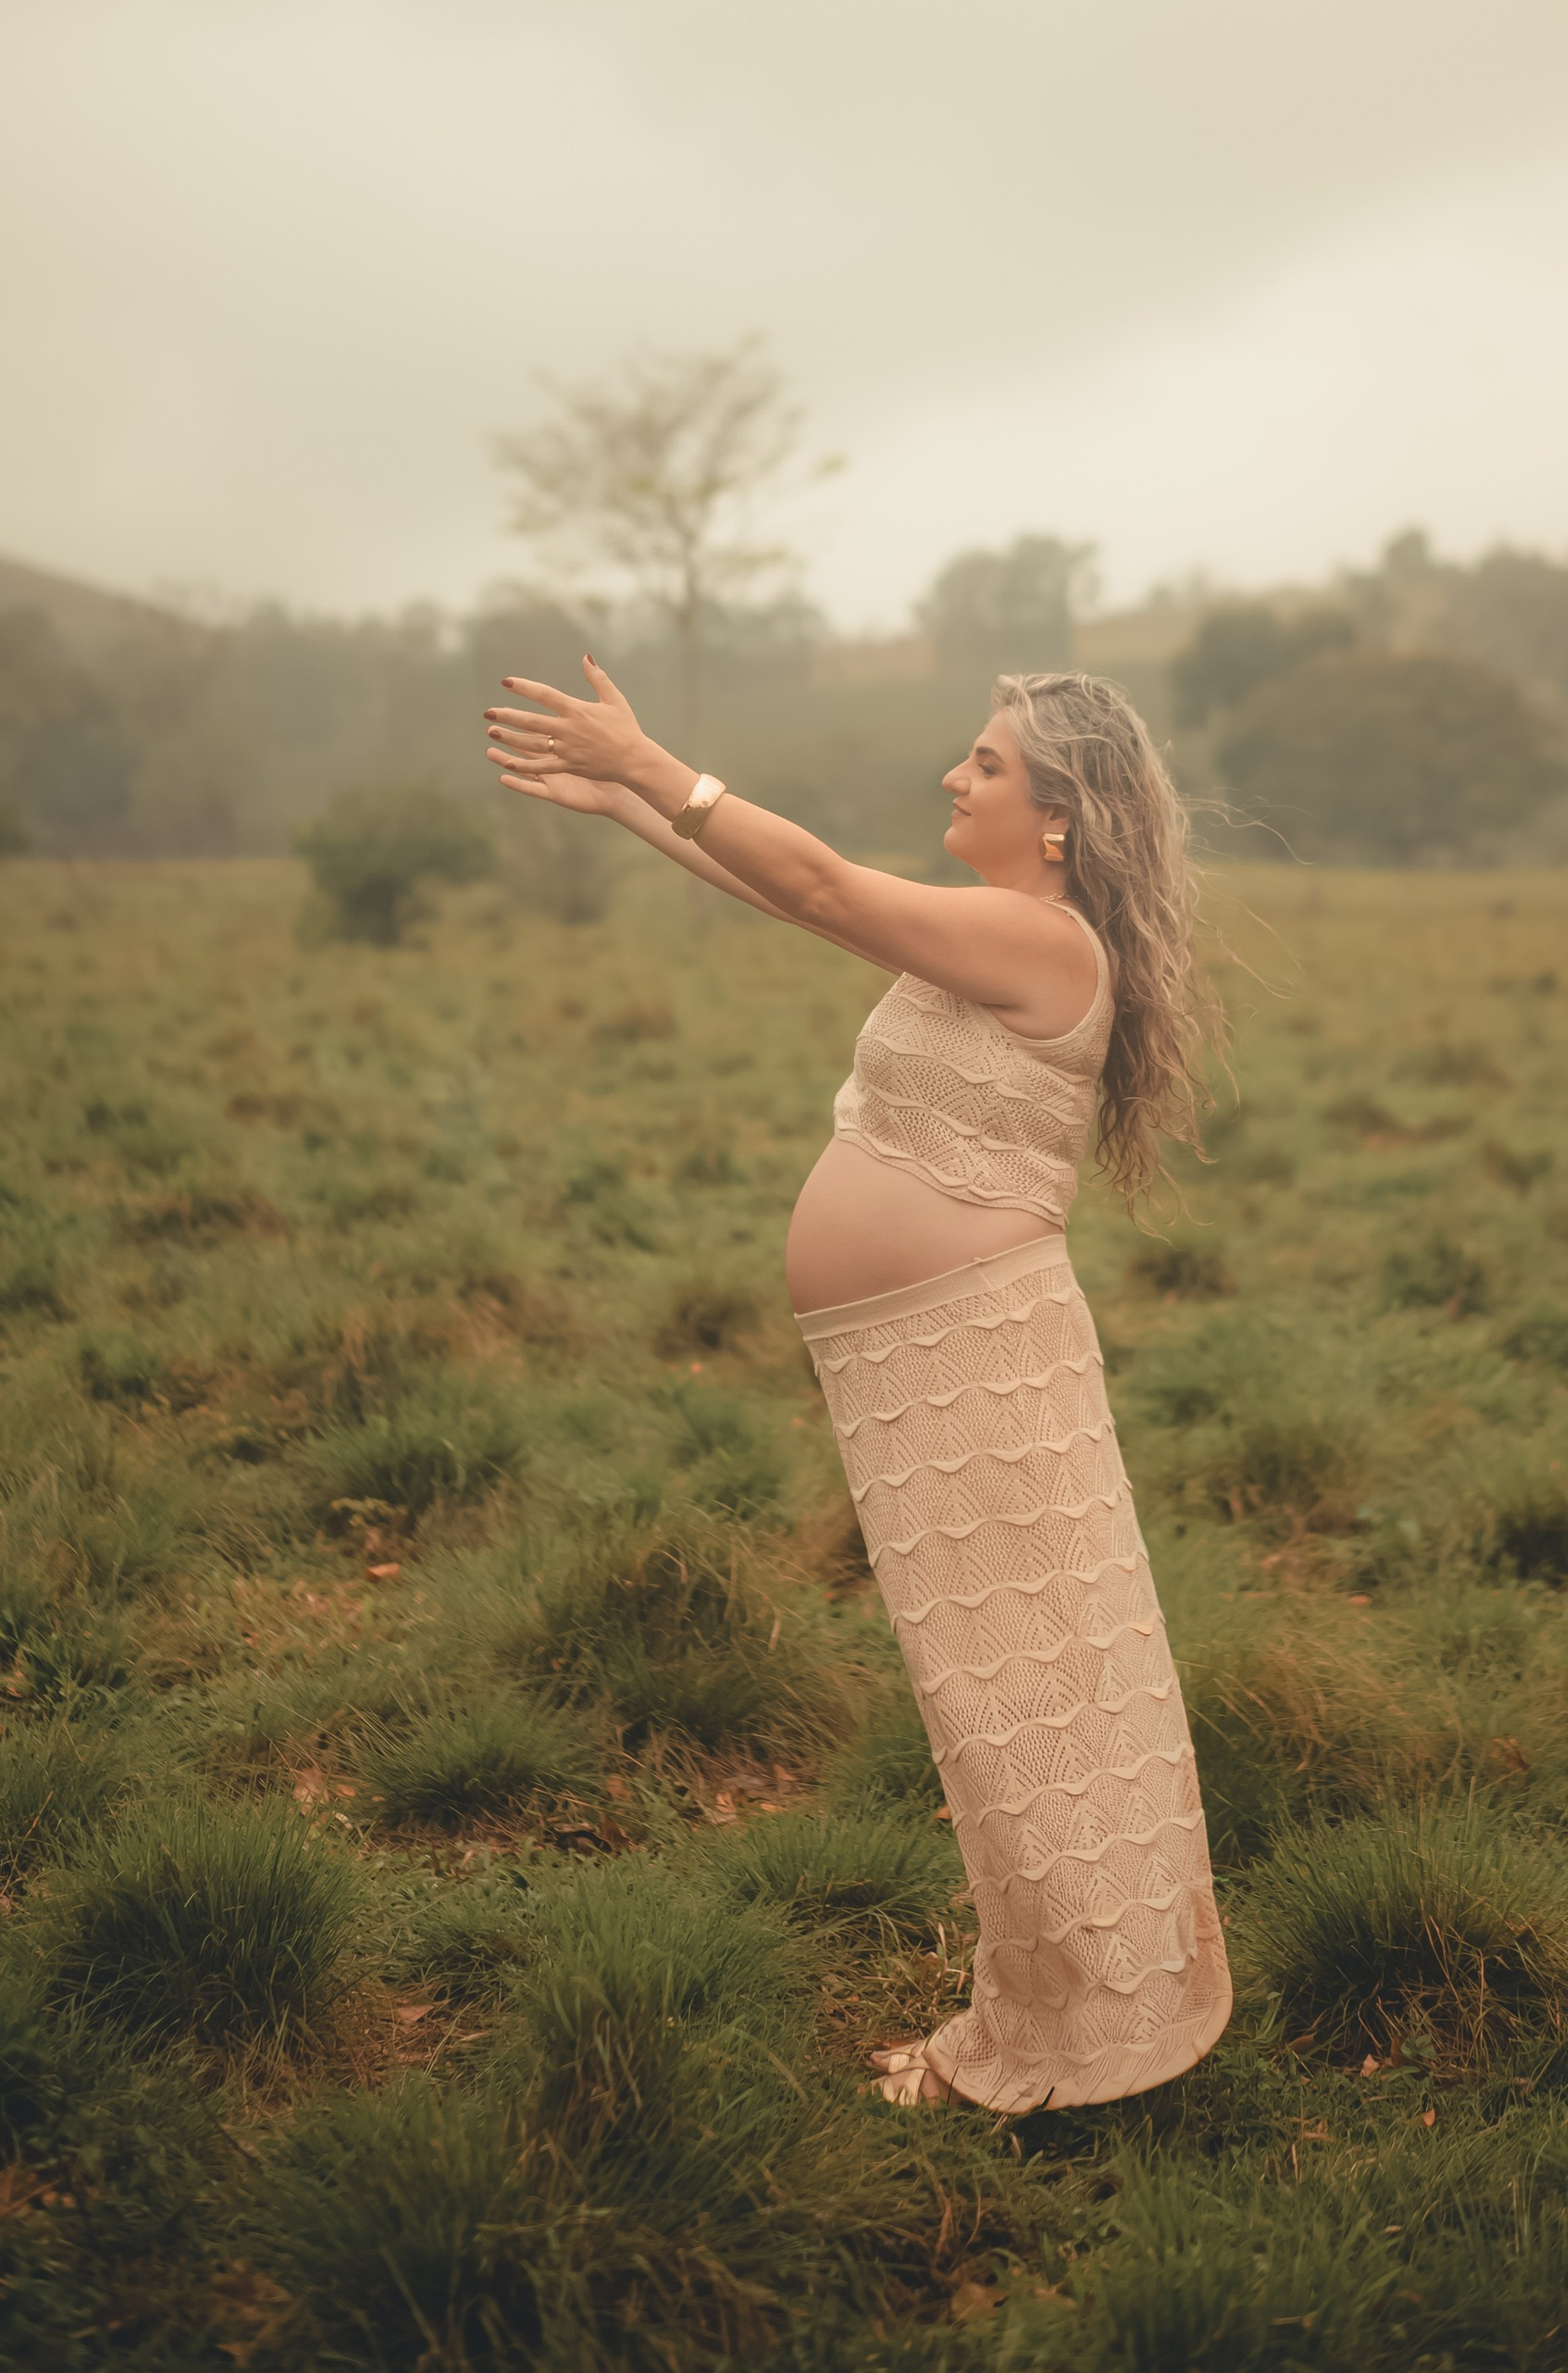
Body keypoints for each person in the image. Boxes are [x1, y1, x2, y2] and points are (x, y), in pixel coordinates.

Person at [484, 656, 1233, 2114]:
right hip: (916, 1370)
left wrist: (658, 768)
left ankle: (1080, 2048)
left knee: (1034, 1706)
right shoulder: (992, 931)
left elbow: (827, 885)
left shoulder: (1054, 949)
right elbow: (797, 895)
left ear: (1064, 816)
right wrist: (632, 805)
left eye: (987, 764)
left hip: (977, 1368)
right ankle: (1048, 2024)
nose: (956, 779)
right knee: (993, 1707)